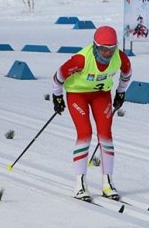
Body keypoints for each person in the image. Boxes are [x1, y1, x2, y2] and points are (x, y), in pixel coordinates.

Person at [52, 26, 132, 202]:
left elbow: (127, 73)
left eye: (111, 49)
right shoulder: (81, 59)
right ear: (95, 46)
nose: (107, 53)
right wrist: (57, 96)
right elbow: (58, 75)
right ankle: (79, 183)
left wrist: (121, 92)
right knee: (85, 133)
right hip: (77, 94)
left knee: (106, 135)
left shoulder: (120, 57)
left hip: (101, 95)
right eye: (103, 48)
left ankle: (107, 183)